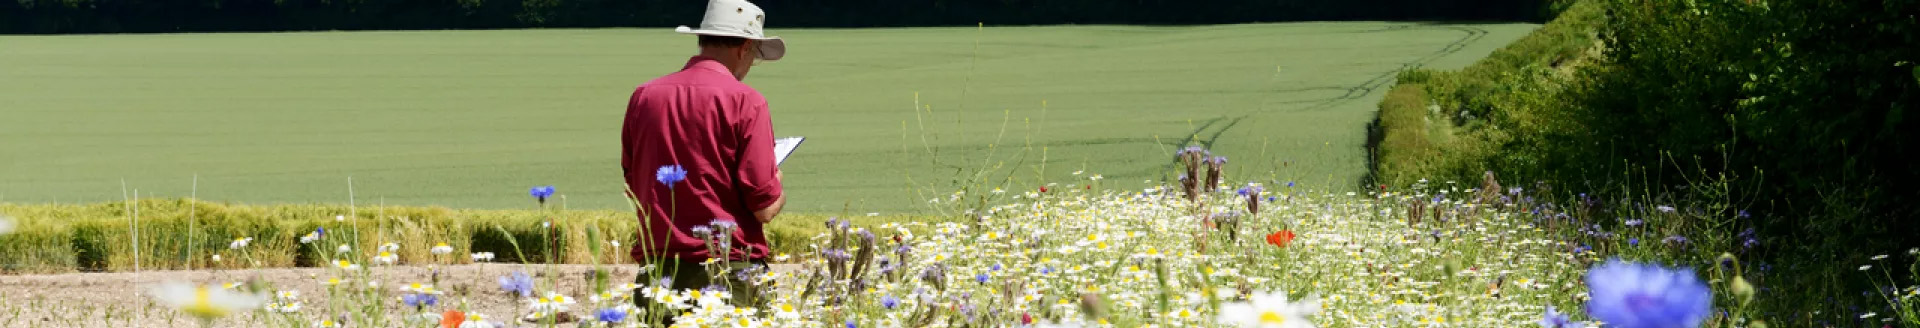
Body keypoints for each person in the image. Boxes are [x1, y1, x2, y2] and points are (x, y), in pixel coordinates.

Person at [619, 0, 787, 321]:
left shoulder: (644, 96)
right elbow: (763, 206)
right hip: (728, 271)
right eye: (755, 56)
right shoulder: (746, 101)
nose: (751, 64)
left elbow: (632, 179)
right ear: (745, 48)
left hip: (658, 272)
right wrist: (777, 183)